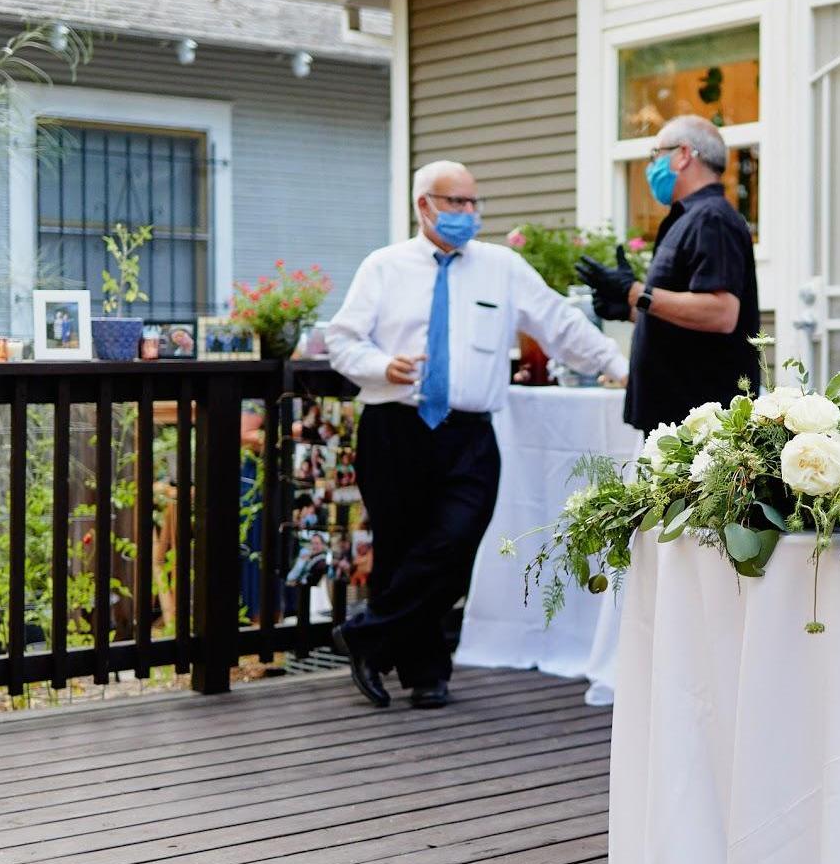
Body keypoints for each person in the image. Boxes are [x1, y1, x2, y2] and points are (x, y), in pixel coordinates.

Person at [325, 160, 627, 709]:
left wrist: (619, 365)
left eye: (473, 203)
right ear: (424, 205)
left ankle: (366, 634)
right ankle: (424, 673)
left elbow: (558, 323)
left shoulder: (502, 268)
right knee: (400, 546)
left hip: (468, 432)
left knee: (456, 540)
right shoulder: (383, 267)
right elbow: (342, 341)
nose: (468, 213)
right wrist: (379, 365)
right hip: (395, 425)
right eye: (455, 203)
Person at [575, 114, 759, 435]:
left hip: (699, 422)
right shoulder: (687, 219)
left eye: (656, 155)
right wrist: (630, 309)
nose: (651, 167)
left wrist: (638, 293)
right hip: (672, 417)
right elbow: (682, 312)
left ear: (684, 154)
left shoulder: (713, 218)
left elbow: (721, 313)